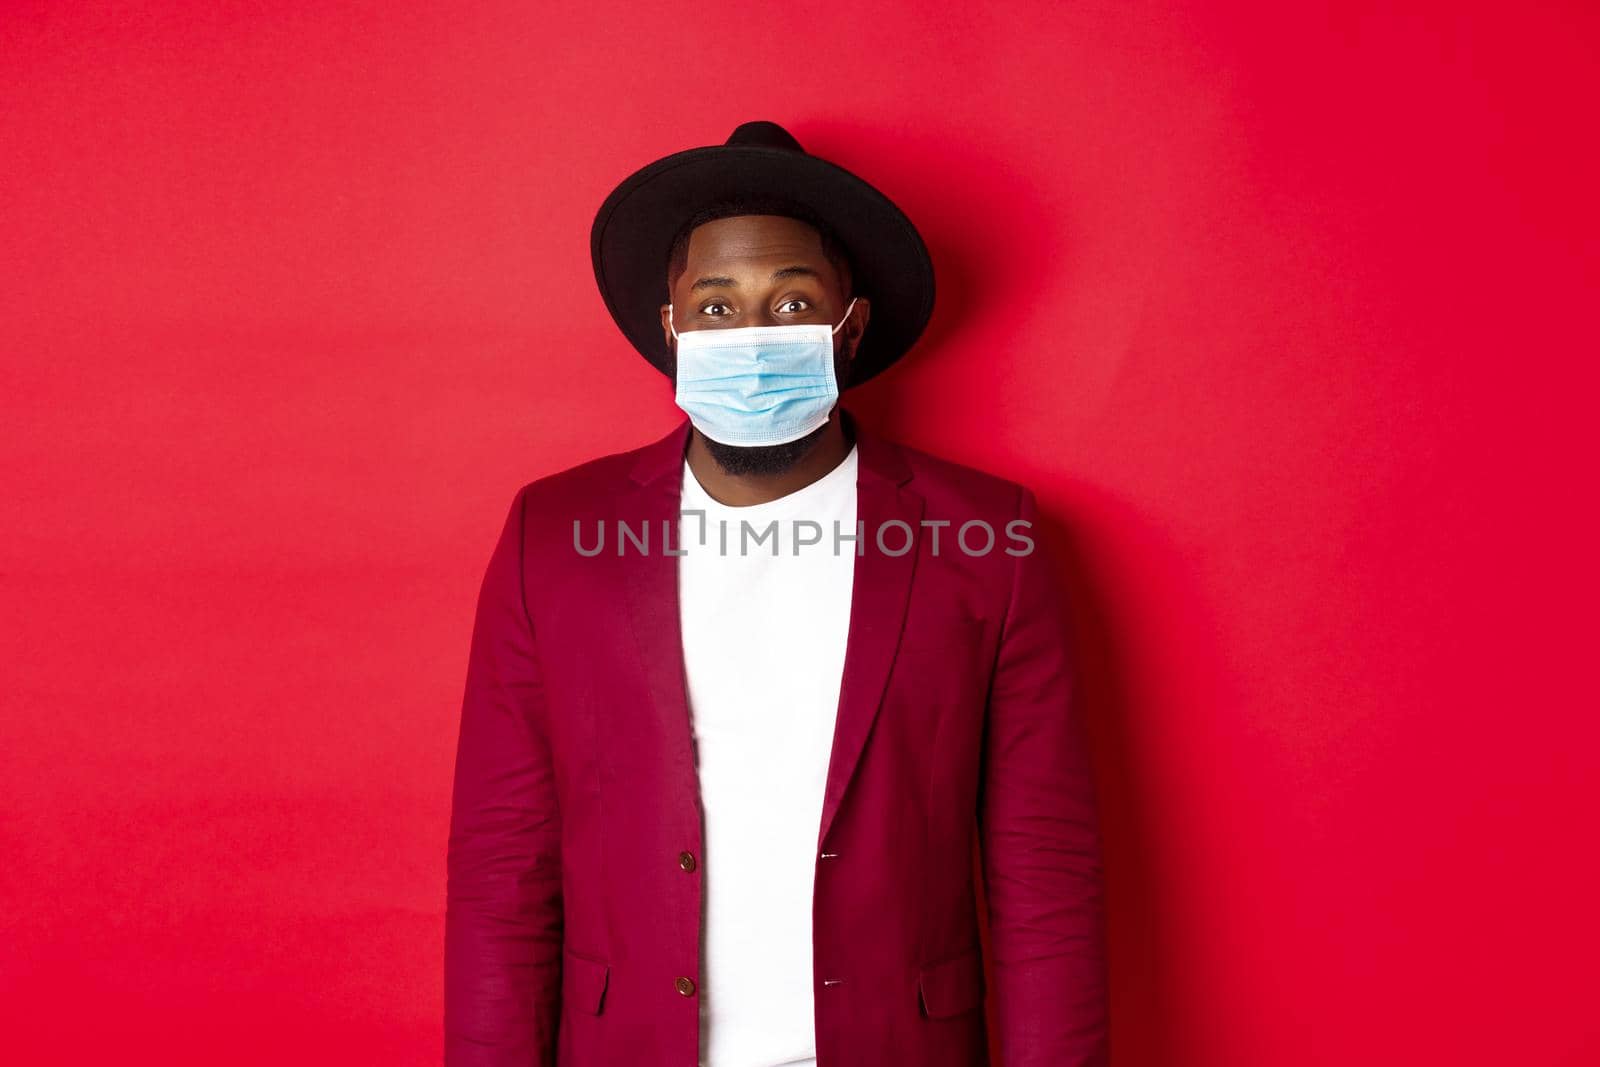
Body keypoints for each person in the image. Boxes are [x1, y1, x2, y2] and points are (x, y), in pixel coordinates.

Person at [444, 119, 1108, 1067]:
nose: (753, 334)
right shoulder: (553, 536)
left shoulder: (989, 539)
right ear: (669, 326)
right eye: (716, 308)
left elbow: (1046, 875)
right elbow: (500, 867)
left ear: (851, 326)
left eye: (793, 301)